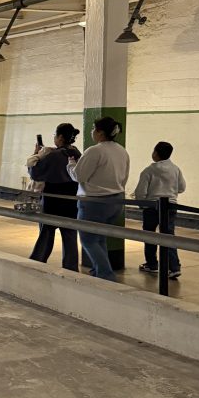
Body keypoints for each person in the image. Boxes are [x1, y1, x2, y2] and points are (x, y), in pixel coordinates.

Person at [67, 116, 130, 282]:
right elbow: (124, 177)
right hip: (116, 200)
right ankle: (98, 270)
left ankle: (106, 274)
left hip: (94, 202)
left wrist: (71, 165)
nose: (92, 132)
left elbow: (79, 176)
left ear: (101, 132)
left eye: (93, 128)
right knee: (100, 237)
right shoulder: (121, 151)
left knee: (88, 239)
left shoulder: (95, 151)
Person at [27, 123, 81, 272]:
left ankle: (37, 261)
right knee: (70, 234)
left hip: (53, 198)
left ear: (60, 137)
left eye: (55, 135)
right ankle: (71, 267)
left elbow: (35, 173)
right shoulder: (77, 153)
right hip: (72, 198)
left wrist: (36, 155)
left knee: (46, 231)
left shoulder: (53, 156)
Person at [134, 141, 186, 280]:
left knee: (149, 235)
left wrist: (142, 204)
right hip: (170, 206)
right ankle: (174, 267)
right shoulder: (175, 169)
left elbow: (140, 192)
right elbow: (182, 187)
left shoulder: (149, 170)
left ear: (155, 153)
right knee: (169, 236)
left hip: (152, 207)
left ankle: (152, 264)